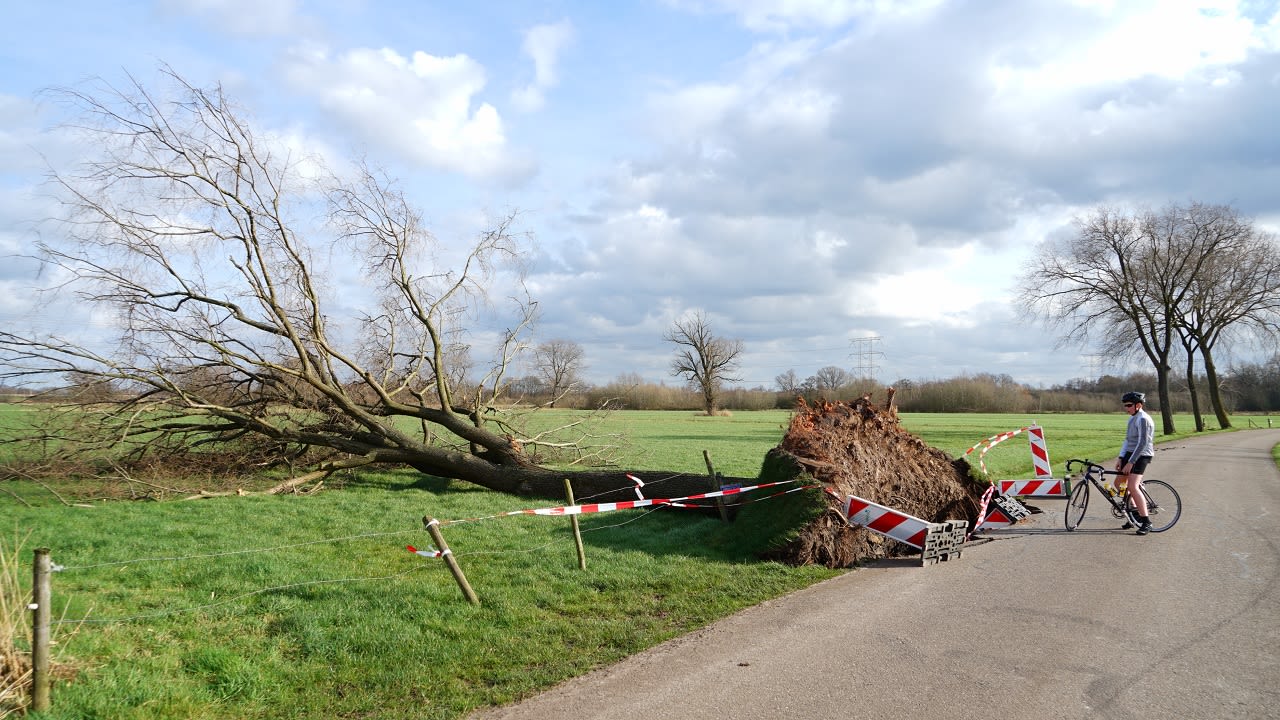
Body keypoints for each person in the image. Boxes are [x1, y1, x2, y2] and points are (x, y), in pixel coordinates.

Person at [1115, 391, 1155, 535]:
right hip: (1130, 453)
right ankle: (1133, 514)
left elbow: (1143, 443)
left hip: (1142, 454)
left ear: (1138, 405)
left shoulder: (1143, 419)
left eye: (1129, 405)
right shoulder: (1132, 419)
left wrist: (1131, 462)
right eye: (1125, 406)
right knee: (1118, 484)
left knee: (1132, 486)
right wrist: (1121, 457)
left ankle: (1146, 521)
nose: (1127, 408)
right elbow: (1127, 440)